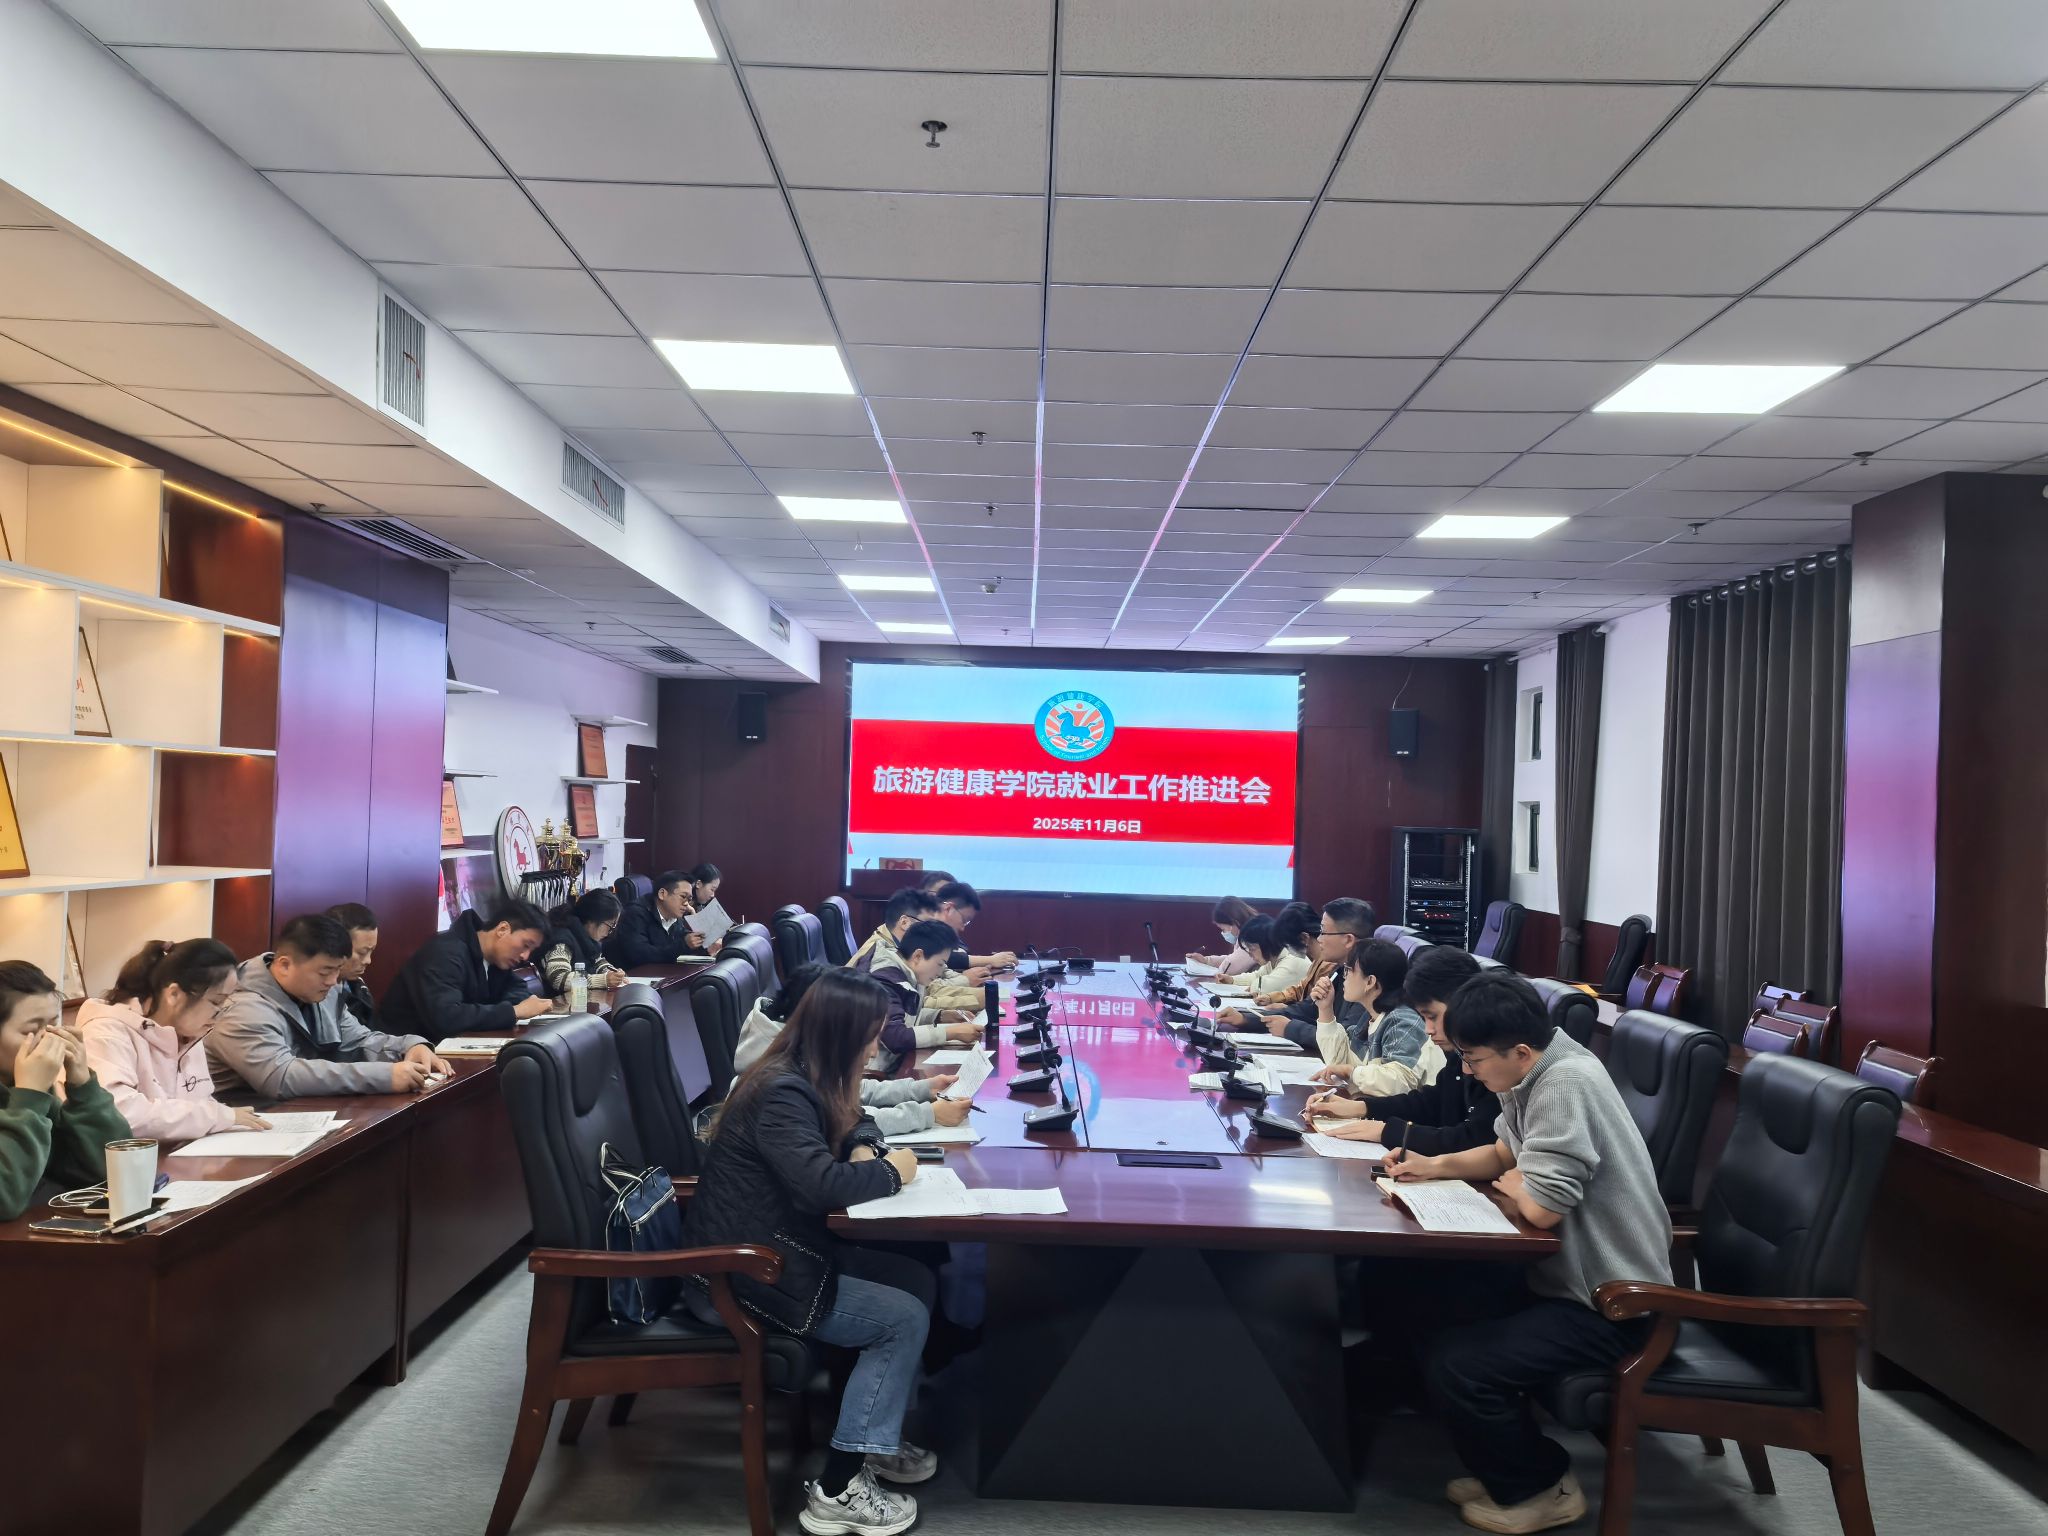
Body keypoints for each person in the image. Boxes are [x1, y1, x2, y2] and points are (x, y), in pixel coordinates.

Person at [1390, 972, 1671, 1534]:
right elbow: (1504, 1153)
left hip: (1613, 1302)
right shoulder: (1537, 1067)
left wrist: (1523, 1184)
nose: (1467, 1071)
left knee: (1460, 1364)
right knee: (1430, 1303)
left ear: (1519, 1051)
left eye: (1472, 1060)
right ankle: (1504, 1464)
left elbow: (1543, 1207)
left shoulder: (1564, 1083)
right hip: (1567, 1281)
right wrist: (1433, 1165)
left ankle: (1541, 1486)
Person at [681, 968, 938, 1536]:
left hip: (781, 1248)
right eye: (871, 1036)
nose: (877, 1047)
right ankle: (839, 1489)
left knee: (914, 1277)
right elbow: (820, 1185)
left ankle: (871, 1438)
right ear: (841, 1035)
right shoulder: (781, 1091)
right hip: (743, 1272)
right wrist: (891, 1173)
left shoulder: (810, 1073)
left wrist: (865, 1146)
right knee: (901, 1318)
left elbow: (855, 1119)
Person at [209, 914, 454, 1098]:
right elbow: (281, 1077)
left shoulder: (321, 991)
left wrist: (410, 1045)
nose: (333, 981)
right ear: (284, 965)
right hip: (232, 1120)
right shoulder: (243, 1009)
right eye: (325, 972)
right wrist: (384, 1077)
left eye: (337, 970)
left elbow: (359, 1041)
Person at [734, 964, 972, 1138]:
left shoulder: (801, 1046)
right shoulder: (779, 1074)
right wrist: (928, 1114)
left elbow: (847, 1090)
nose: (873, 1050)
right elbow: (838, 1119)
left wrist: (921, 1089)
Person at [79, 938, 270, 1144]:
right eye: (217, 1001)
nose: (220, 1013)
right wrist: (216, 1116)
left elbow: (199, 1105)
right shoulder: (106, 1032)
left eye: (226, 1002)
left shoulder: (187, 1033)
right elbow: (120, 1114)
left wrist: (220, 1118)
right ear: (174, 994)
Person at [1309, 945, 1493, 1152]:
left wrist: (1388, 1131)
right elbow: (1432, 1101)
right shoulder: (1456, 1054)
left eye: (1432, 1017)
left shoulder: (1493, 1058)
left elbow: (1476, 1138)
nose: (1427, 1029)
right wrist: (1361, 1107)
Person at [0, 961, 130, 1221]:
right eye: (31, 1030)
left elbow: (114, 1169)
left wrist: (83, 1087)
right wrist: (29, 1097)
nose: (49, 1040)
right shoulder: (29, 1090)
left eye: (52, 1026)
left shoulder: (27, 1085)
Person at [379, 898, 556, 1038]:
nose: (525, 956)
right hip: (402, 1053)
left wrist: (506, 1009)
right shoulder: (445, 954)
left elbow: (518, 989)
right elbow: (446, 1018)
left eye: (531, 950)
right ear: (502, 929)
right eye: (525, 945)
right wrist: (513, 1012)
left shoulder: (496, 960)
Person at [1216, 896, 1375, 1049]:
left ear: (1348, 940)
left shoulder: (1370, 979)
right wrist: (1245, 1019)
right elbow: (1306, 1010)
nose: (1319, 939)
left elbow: (1348, 1039)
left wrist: (1290, 1028)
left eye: (1323, 932)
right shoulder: (1340, 971)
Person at [1305, 938, 1436, 1097]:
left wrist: (1350, 1071)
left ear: (1370, 981)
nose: (1345, 977)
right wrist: (1325, 1009)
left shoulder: (1401, 1020)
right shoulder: (1372, 1015)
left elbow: (1400, 1082)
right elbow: (1338, 1064)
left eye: (1349, 970)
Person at [869, 919, 981, 1061]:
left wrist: (940, 1016)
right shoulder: (886, 981)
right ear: (918, 956)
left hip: (899, 1061)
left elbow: (906, 1017)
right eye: (940, 964)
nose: (940, 973)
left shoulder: (909, 973)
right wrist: (950, 1032)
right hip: (879, 1067)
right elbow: (894, 1037)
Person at [607, 869, 710, 967]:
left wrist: (699, 942)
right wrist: (684, 945)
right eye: (683, 897)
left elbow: (679, 936)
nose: (686, 903)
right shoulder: (635, 914)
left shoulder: (674, 914)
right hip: (631, 975)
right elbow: (641, 955)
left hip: (661, 973)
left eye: (689, 899)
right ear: (662, 894)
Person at [539, 890, 628, 997]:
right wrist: (603, 980)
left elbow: (597, 960)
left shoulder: (585, 937)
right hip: (558, 1002)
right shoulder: (562, 941)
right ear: (593, 919)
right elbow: (559, 977)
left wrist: (613, 974)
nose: (610, 932)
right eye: (610, 925)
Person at [1233, 906, 1314, 997]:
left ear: (1266, 943)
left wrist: (1254, 986)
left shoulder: (1293, 959)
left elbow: (1264, 988)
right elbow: (1257, 976)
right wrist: (1231, 980)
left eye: (1252, 949)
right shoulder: (1274, 958)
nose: (1250, 955)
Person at [325, 903, 380, 1032]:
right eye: (362, 953)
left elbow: (366, 1036)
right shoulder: (314, 992)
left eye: (371, 951)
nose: (368, 961)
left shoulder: (359, 988)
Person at [1187, 895, 1259, 975]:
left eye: (1223, 929)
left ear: (1235, 922)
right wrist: (1206, 961)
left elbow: (1230, 966)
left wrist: (1213, 971)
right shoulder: (1249, 931)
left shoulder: (1253, 937)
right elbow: (1234, 959)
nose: (1223, 933)